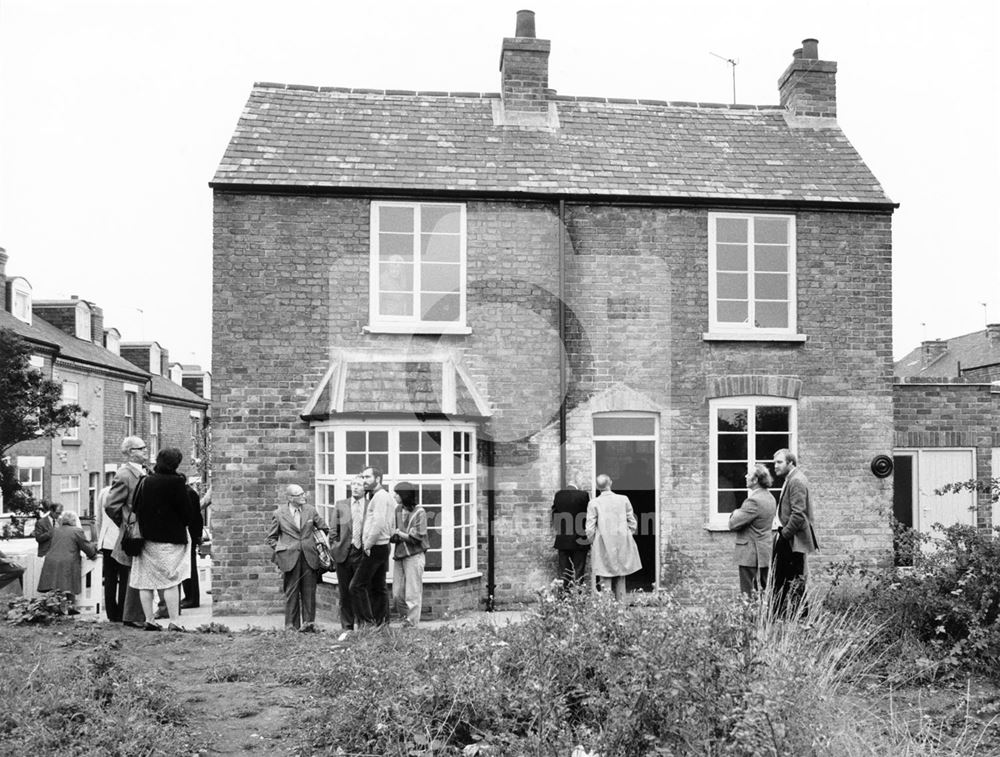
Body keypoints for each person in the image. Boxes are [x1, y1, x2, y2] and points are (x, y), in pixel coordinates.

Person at [130, 447, 192, 631]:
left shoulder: (145, 481)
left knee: (145, 581)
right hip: (171, 539)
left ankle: (149, 620)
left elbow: (135, 508)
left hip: (146, 539)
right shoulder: (177, 483)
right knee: (171, 580)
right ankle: (174, 621)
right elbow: (187, 514)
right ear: (176, 463)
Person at [265, 483, 329, 632]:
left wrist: (323, 545)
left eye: (303, 493)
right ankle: (291, 627)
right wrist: (282, 551)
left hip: (309, 557)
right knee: (291, 593)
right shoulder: (279, 513)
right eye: (299, 495)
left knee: (309, 593)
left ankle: (309, 625)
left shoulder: (311, 510)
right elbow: (271, 538)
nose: (303, 497)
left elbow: (324, 528)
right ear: (290, 498)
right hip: (289, 559)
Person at [104, 436, 151, 628]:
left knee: (137, 573)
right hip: (132, 533)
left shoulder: (144, 471)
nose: (146, 450)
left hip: (143, 531)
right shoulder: (124, 475)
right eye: (142, 448)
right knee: (131, 573)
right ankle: (130, 617)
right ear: (131, 452)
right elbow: (110, 505)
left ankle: (135, 615)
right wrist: (125, 523)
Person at [771, 449, 819, 617]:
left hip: (792, 540)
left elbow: (798, 514)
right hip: (790, 538)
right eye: (774, 462)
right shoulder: (792, 478)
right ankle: (795, 618)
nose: (775, 466)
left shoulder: (796, 480)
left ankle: (794, 619)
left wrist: (784, 535)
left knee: (788, 581)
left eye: (779, 462)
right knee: (790, 581)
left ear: (790, 463)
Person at [585, 474, 642, 601]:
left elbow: (590, 528)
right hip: (622, 543)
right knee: (621, 577)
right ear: (610, 483)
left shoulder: (594, 503)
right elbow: (632, 522)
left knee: (605, 579)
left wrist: (593, 541)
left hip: (603, 544)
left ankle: (608, 613)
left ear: (597, 486)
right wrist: (627, 536)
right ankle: (621, 611)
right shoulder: (624, 499)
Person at [349, 466, 393, 627]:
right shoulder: (381, 496)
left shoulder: (380, 497)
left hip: (375, 547)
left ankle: (368, 623)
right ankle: (382, 624)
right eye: (363, 477)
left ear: (378, 479)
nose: (364, 480)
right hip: (381, 546)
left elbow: (379, 523)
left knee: (356, 586)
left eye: (368, 477)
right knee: (378, 586)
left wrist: (367, 544)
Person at [728, 464, 777, 596]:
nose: (745, 476)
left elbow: (733, 524)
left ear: (755, 480)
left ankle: (752, 617)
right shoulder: (770, 498)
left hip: (750, 553)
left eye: (749, 474)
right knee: (764, 592)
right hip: (764, 551)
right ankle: (764, 617)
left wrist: (735, 512)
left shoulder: (753, 501)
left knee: (748, 594)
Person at [36, 511, 98, 611]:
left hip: (51, 560)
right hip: (67, 561)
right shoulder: (77, 531)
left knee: (54, 587)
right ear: (73, 520)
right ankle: (70, 608)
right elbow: (85, 546)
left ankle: (54, 610)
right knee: (69, 586)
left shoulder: (55, 530)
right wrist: (93, 554)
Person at [390, 481, 428, 627]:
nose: (394, 496)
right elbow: (393, 534)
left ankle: (411, 624)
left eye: (397, 493)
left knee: (413, 593)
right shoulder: (397, 510)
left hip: (414, 556)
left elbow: (418, 536)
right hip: (399, 554)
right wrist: (395, 534)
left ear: (404, 495)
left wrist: (399, 533)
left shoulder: (420, 512)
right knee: (397, 593)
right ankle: (404, 618)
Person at [329, 476, 364, 631]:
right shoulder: (341, 505)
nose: (355, 487)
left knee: (361, 591)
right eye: (353, 484)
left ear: (365, 488)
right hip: (343, 553)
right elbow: (333, 530)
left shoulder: (369, 505)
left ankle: (363, 625)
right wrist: (335, 546)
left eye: (359, 485)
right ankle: (347, 627)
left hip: (362, 554)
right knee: (345, 593)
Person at [95, 483, 128, 622]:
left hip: (106, 539)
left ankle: (111, 613)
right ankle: (122, 611)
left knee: (110, 577)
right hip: (121, 539)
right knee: (124, 577)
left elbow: (98, 519)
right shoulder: (127, 492)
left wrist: (99, 538)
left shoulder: (104, 492)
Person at [551, 482, 590, 594]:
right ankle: (578, 598)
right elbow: (588, 514)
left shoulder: (558, 495)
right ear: (577, 488)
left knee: (564, 572)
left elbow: (555, 515)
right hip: (580, 538)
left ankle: (564, 597)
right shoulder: (584, 495)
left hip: (563, 540)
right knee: (579, 570)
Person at [180, 480, 204, 608]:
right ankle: (190, 596)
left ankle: (191, 598)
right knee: (189, 566)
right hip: (192, 534)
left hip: (189, 534)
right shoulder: (191, 493)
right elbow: (198, 516)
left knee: (188, 567)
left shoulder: (187, 494)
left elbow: (194, 517)